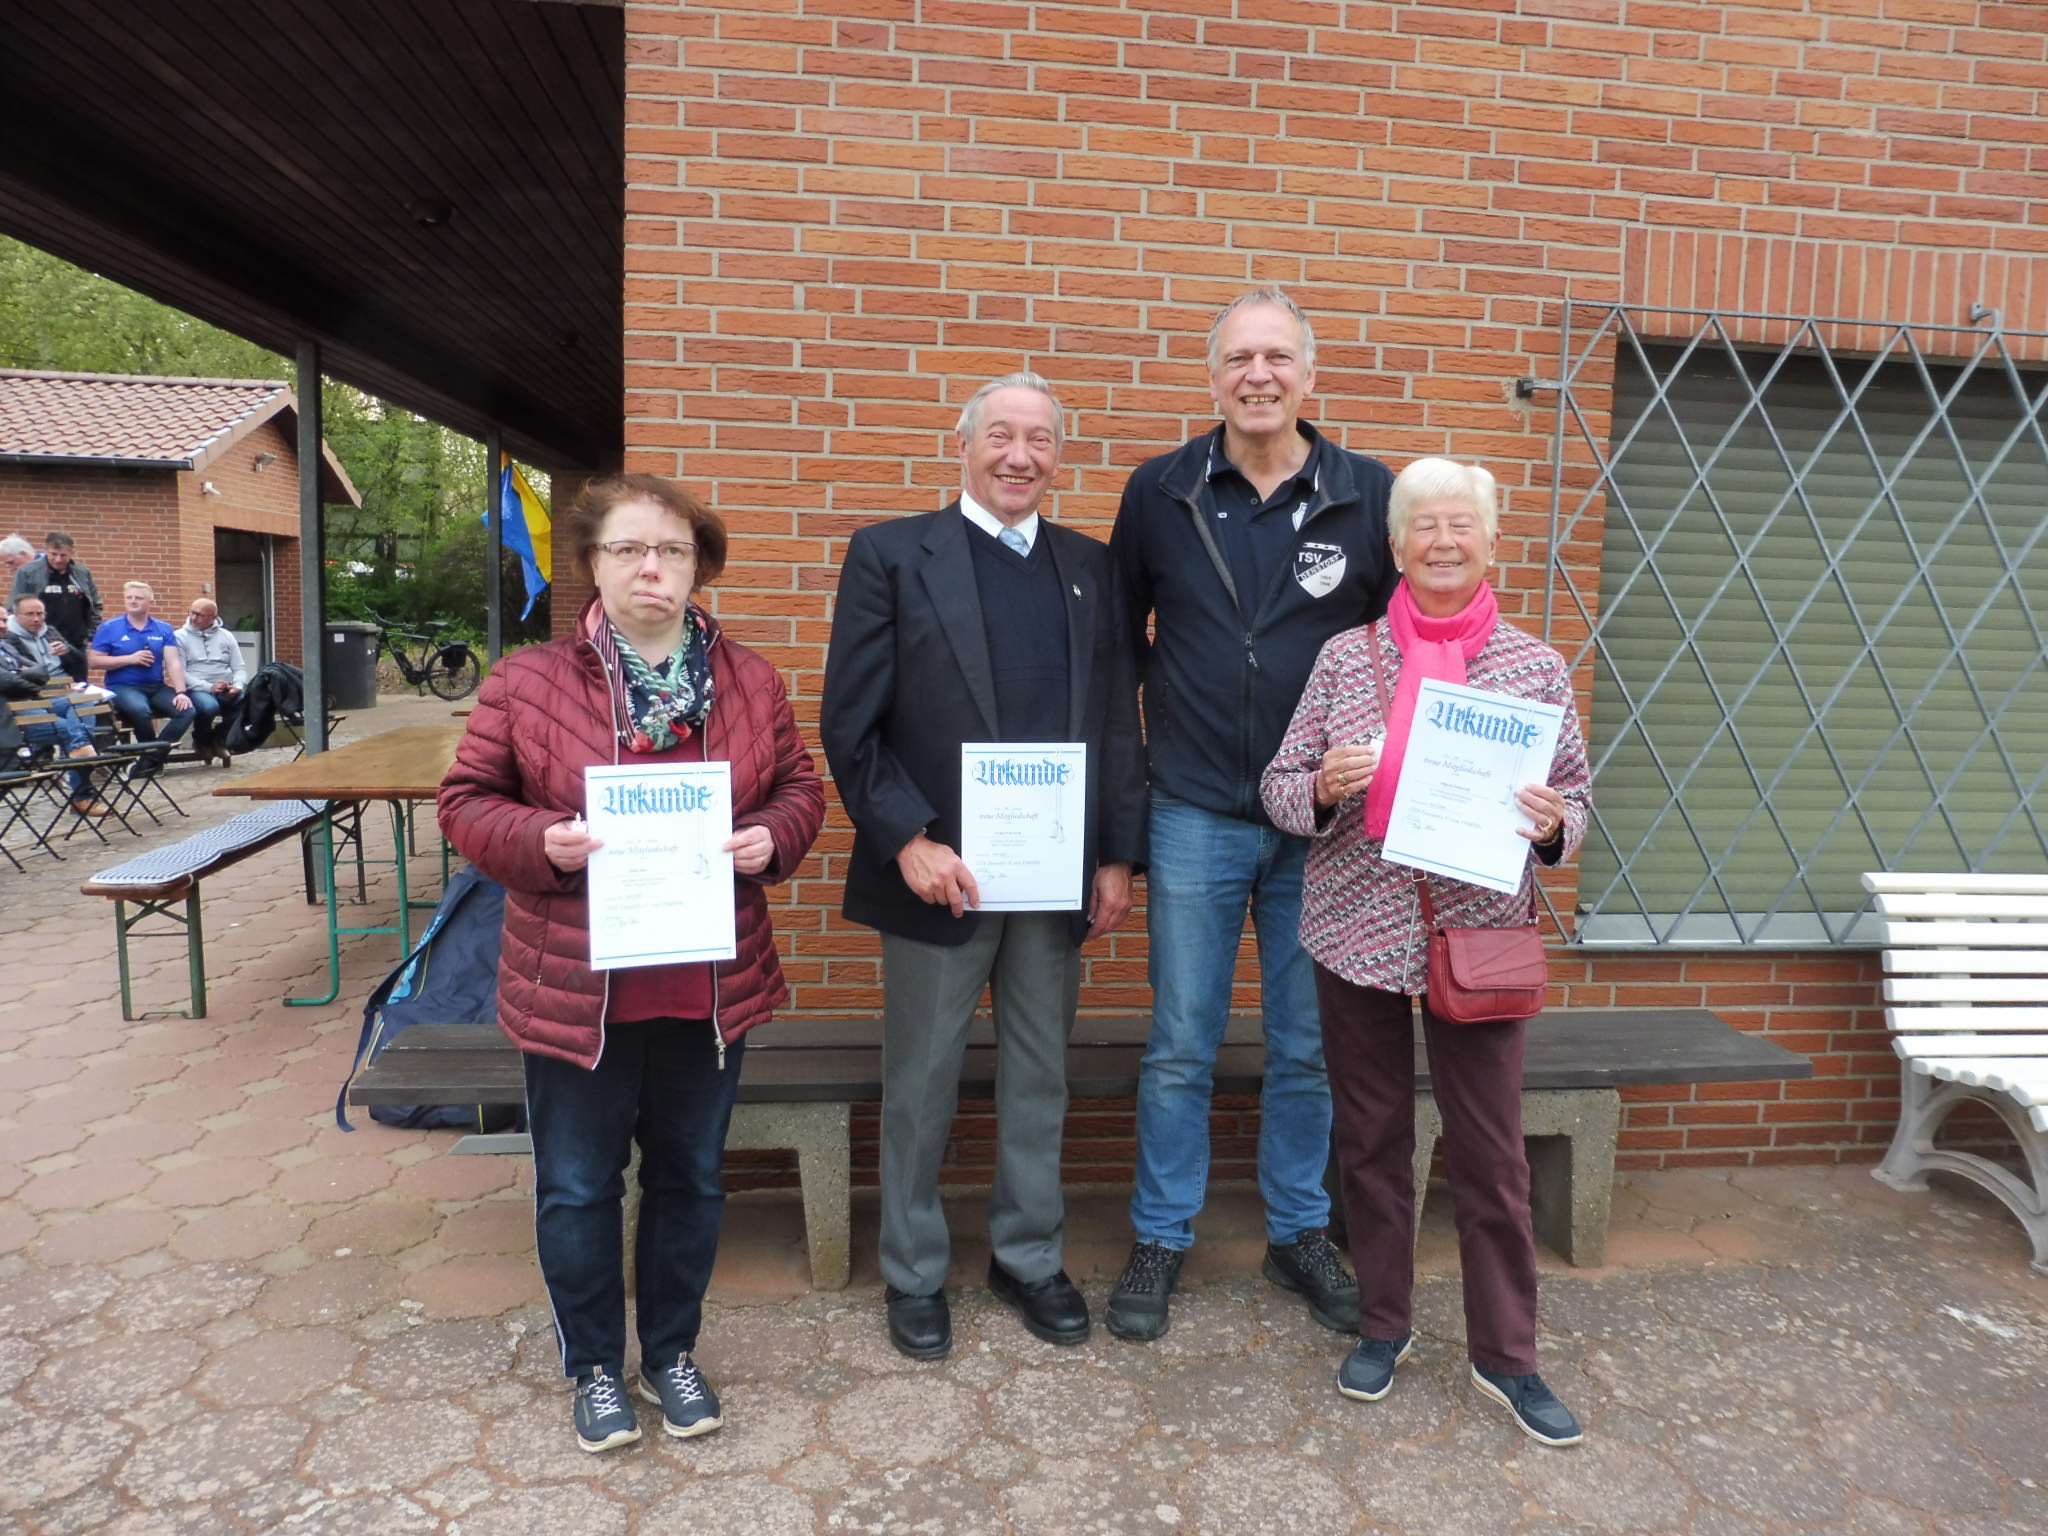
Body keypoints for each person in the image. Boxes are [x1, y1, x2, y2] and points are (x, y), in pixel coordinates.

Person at [439, 473, 824, 1455]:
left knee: (692, 1181)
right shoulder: (526, 682)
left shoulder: (751, 680)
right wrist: (542, 842)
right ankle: (595, 1370)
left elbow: (797, 790)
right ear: (592, 566)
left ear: (699, 566)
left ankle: (672, 1354)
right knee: (577, 1186)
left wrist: (770, 841)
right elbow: (467, 804)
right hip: (576, 990)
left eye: (673, 551)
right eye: (627, 550)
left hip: (706, 989)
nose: (651, 567)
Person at [1260, 456, 1591, 1448]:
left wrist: (1546, 826)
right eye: (1423, 528)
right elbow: (1277, 788)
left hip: (1479, 936)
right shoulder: (1341, 659)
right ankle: (1383, 1324)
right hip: (1355, 930)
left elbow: (1575, 801)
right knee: (1367, 1142)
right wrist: (1321, 785)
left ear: (1489, 544)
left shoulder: (1532, 668)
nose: (1442, 543)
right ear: (1395, 546)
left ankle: (1507, 1357)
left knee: (1489, 1154)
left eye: (1462, 526)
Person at [820, 371, 1146, 1360]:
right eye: (999, 435)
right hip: (938, 876)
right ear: (961, 446)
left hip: (1052, 884)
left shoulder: (1090, 569)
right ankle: (912, 1271)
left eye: (1038, 439)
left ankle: (1027, 1256)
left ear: (1057, 455)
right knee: (918, 1078)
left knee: (1038, 1073)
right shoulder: (890, 555)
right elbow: (850, 719)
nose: (1018, 455)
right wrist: (907, 840)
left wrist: (1117, 858)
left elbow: (1116, 726)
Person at [1104, 286, 1398, 1341]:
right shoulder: (1161, 490)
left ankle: (1299, 1232)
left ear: (1308, 375)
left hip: (1323, 824)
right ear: (1214, 376)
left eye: (1277, 356)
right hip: (1191, 808)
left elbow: (1403, 645)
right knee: (1180, 1040)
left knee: (1306, 1044)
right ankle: (1160, 1234)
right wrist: (1145, 759)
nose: (1258, 375)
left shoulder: (1369, 494)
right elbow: (1118, 643)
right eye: (1239, 358)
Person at [0, 602, 106, 816]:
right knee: (72, 730)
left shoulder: (7, 645)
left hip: (34, 701)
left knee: (82, 698)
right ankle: (82, 796)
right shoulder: (12, 642)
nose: (4, 625)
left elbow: (41, 672)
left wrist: (24, 676)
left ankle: (81, 748)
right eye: (1, 621)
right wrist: (28, 679)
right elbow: (7, 682)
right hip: (13, 713)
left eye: (4, 620)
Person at [89, 582, 195, 762]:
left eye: (139, 598)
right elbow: (94, 661)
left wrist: (181, 692)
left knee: (187, 710)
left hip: (156, 687)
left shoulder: (163, 629)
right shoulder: (110, 627)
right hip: (122, 687)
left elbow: (173, 662)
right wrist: (130, 659)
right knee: (140, 710)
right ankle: (151, 760)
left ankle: (150, 759)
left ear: (150, 603)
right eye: (129, 597)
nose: (133, 601)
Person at [10, 533, 100, 683]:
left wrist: (90, 633)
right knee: (48, 683)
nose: (58, 559)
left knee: (79, 686)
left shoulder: (81, 573)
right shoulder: (28, 572)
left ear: (72, 553)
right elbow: (15, 605)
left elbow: (95, 604)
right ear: (46, 550)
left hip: (76, 641)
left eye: (63, 555)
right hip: (44, 640)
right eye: (53, 554)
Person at [175, 598, 247, 768]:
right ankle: (201, 740)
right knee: (209, 707)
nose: (193, 618)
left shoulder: (226, 636)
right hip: (197, 686)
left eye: (200, 615)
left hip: (225, 684)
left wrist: (237, 686)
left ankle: (218, 738)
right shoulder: (179, 637)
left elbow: (239, 667)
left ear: (213, 617)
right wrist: (208, 687)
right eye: (192, 612)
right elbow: (180, 672)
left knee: (247, 701)